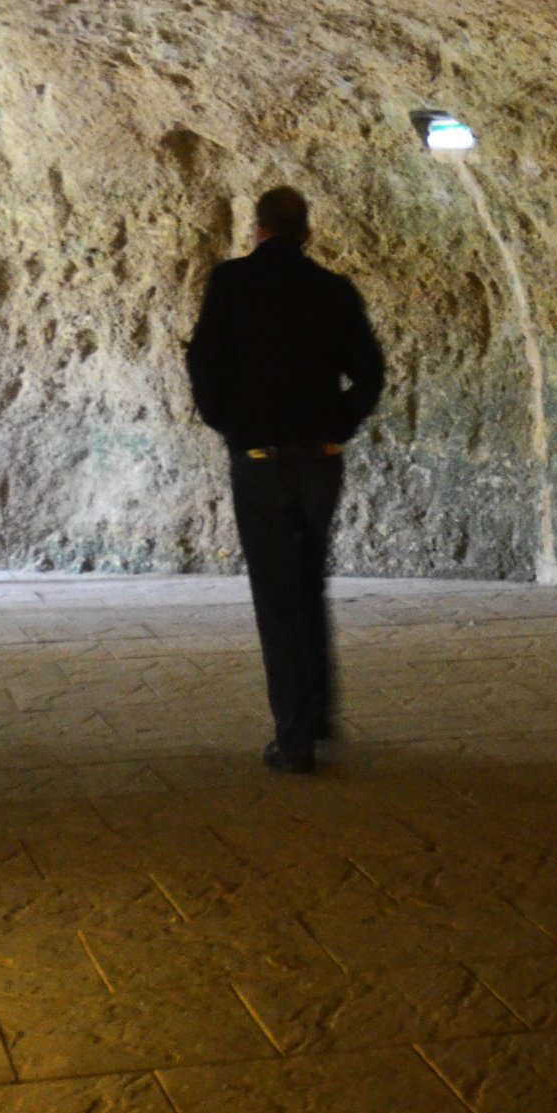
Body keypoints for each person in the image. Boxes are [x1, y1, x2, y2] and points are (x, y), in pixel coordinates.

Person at [185, 186, 387, 775]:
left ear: (258, 230)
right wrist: (338, 425)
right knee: (307, 577)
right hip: (320, 457)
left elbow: (204, 365)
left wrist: (232, 424)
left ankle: (294, 739)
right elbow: (370, 375)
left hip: (260, 456)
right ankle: (318, 709)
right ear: (308, 234)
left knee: (276, 594)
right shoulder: (333, 290)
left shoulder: (231, 283)